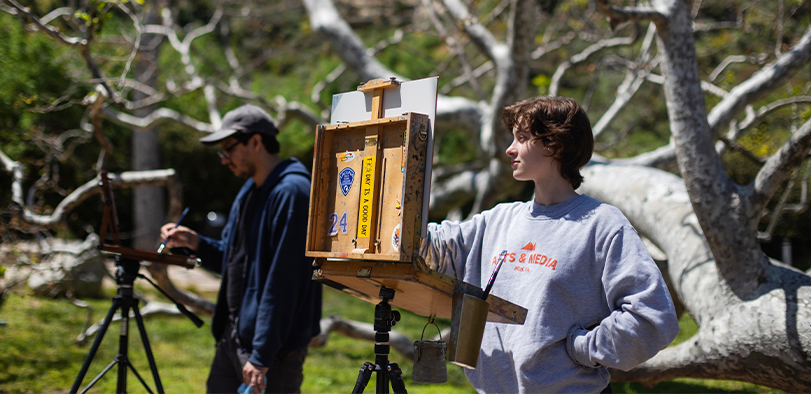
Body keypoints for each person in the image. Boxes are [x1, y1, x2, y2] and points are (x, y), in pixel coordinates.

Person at [420, 96, 679, 393]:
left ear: (554, 145)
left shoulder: (602, 224)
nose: (510, 149)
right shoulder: (499, 219)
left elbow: (652, 317)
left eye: (522, 138)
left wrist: (584, 349)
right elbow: (435, 246)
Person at [160, 104, 322, 394]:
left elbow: (285, 283)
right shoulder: (249, 190)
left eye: (228, 149)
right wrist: (194, 243)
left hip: (273, 353)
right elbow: (234, 261)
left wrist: (261, 356)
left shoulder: (293, 194)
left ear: (256, 142)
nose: (224, 160)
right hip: (234, 340)